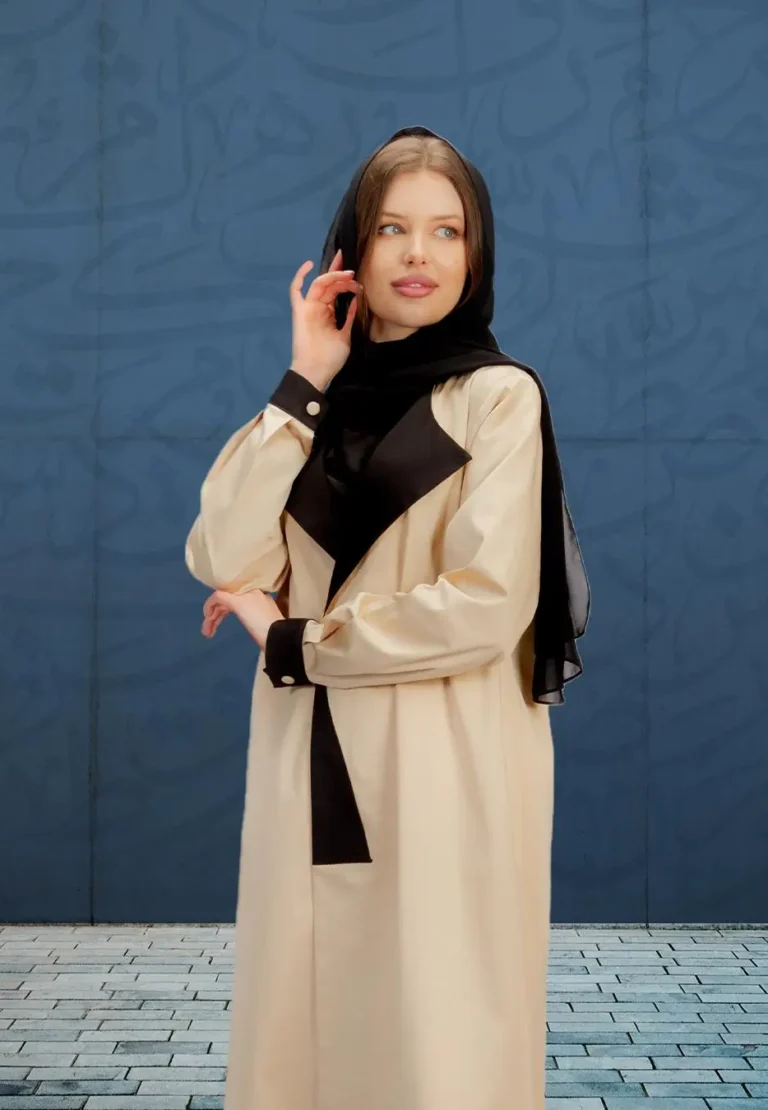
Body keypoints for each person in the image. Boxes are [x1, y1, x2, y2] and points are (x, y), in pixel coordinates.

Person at [184, 124, 590, 1110]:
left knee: (435, 1030)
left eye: (448, 231)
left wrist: (297, 641)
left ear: (476, 253)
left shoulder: (496, 399)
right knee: (304, 1026)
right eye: (393, 228)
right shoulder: (317, 409)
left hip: (446, 758)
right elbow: (223, 553)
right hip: (313, 755)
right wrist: (303, 381)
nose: (419, 254)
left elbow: (485, 606)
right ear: (352, 251)